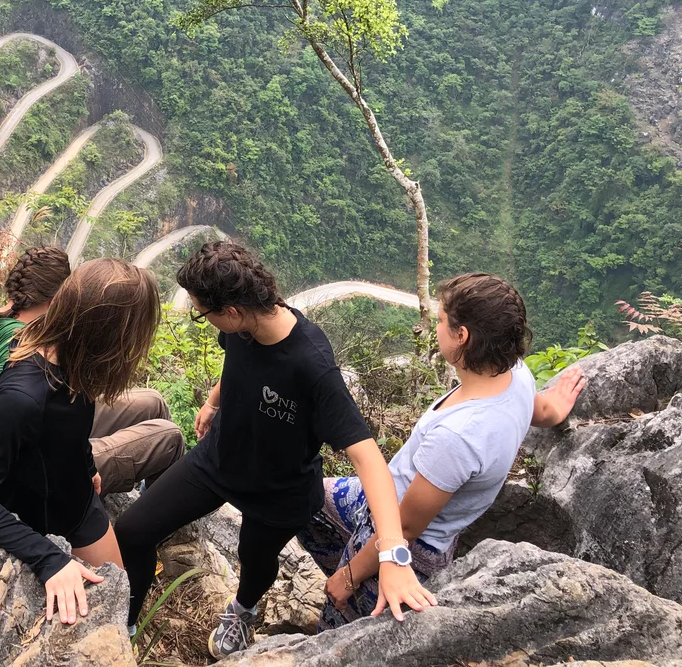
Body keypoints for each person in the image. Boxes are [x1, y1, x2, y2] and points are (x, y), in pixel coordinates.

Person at [114, 241, 435, 659]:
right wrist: (214, 402)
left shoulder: (312, 364)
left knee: (255, 559)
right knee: (132, 532)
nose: (203, 321)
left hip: (279, 491)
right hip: (219, 460)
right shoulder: (244, 326)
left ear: (231, 311)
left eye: (203, 312)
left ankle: (243, 611)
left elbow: (369, 459)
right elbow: (236, 364)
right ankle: (126, 622)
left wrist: (392, 552)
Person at [297, 272, 587, 629]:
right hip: (382, 498)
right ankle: (345, 562)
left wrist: (349, 577)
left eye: (440, 321)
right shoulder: (515, 376)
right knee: (301, 496)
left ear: (462, 336)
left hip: (406, 548)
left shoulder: (460, 436)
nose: (435, 327)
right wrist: (557, 408)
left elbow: (404, 527)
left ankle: (345, 585)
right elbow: (539, 410)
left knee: (338, 621)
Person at [0, 258, 160, 627]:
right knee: (103, 615)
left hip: (77, 503)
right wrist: (50, 559)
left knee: (121, 598)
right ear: (106, 333)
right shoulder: (23, 397)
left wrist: (86, 465)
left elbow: (69, 426)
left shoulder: (74, 359)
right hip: (36, 520)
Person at [0, 247, 184, 489]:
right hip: (33, 458)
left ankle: (152, 501)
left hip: (38, 421)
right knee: (169, 437)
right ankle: (152, 530)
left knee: (153, 402)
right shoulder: (27, 348)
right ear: (59, 299)